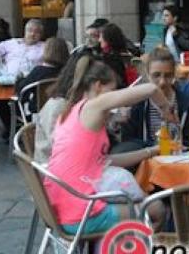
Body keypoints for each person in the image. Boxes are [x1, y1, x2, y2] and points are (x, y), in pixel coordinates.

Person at [45, 58, 167, 233]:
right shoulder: (93, 106)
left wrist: (151, 151)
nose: (114, 95)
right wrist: (166, 108)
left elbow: (103, 161)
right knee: (157, 210)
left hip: (61, 206)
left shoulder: (72, 110)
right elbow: (152, 88)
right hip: (80, 214)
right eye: (112, 90)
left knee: (141, 201)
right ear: (98, 86)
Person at [121, 47, 189, 150]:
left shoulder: (187, 103)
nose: (162, 82)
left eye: (168, 76)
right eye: (156, 75)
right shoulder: (137, 104)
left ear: (174, 75)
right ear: (148, 75)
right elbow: (128, 142)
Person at [10, 37, 70, 124]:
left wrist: (20, 79)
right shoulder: (68, 71)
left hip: (39, 110)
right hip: (63, 108)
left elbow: (21, 91)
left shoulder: (38, 71)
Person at [99, 23, 137, 89]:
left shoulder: (109, 59)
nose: (99, 40)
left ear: (108, 39)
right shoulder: (128, 54)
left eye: (101, 37)